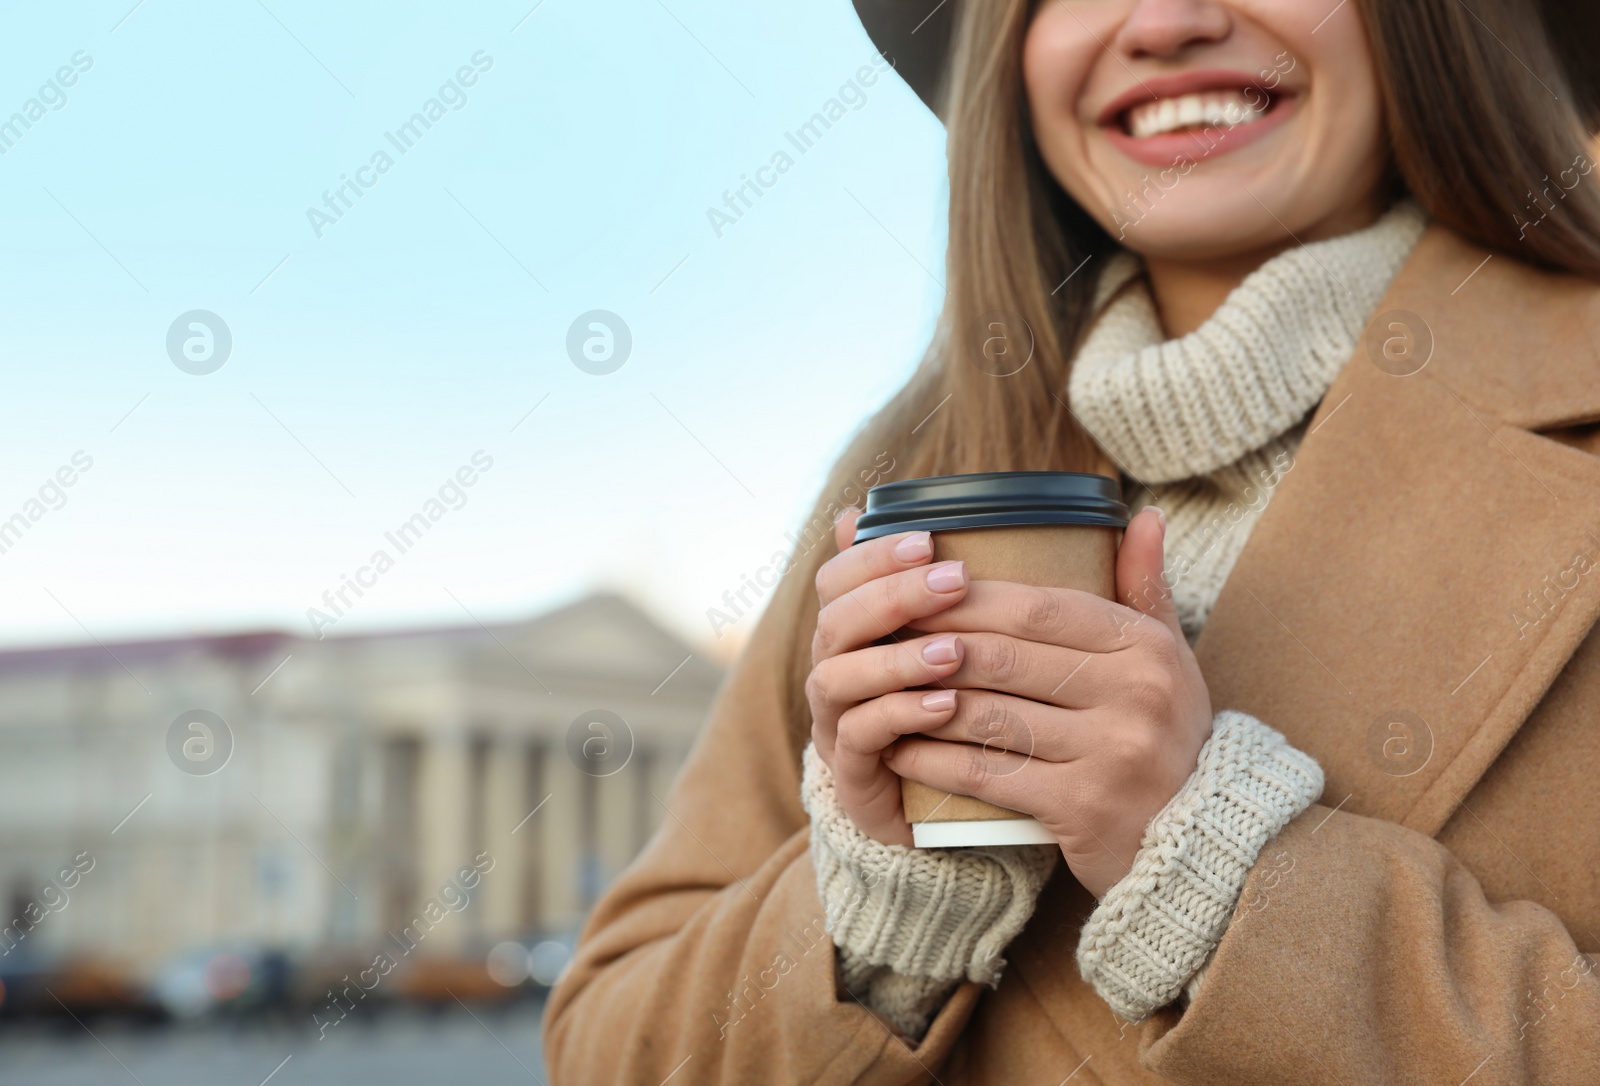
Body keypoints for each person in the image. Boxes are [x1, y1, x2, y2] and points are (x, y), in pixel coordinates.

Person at [546, 0, 1600, 1081]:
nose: (1167, 21)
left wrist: (1230, 880)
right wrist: (883, 913)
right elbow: (607, 1047)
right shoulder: (902, 470)